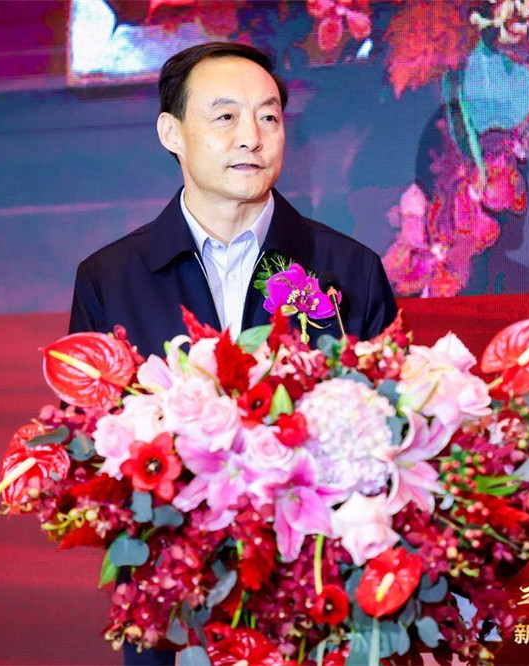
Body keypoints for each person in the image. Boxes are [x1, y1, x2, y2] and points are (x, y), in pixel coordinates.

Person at [66, 42, 397, 664]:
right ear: (172, 133)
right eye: (225, 117)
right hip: (178, 611)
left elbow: (388, 436)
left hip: (318, 606)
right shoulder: (110, 278)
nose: (252, 137)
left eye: (269, 117)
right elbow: (90, 446)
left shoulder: (348, 270)